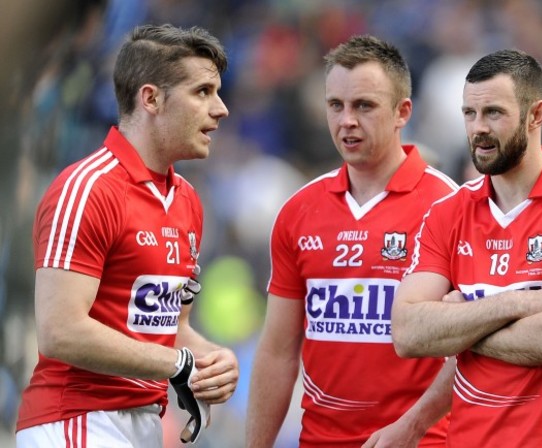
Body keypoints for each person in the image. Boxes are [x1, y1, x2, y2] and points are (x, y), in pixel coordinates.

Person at [392, 48, 542, 447]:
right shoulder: (447, 213)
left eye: (494, 114)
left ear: (536, 114)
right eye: (469, 114)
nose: (477, 128)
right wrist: (517, 303)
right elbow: (407, 334)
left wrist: (458, 328)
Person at [15, 24, 239, 447]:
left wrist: (210, 360)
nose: (221, 108)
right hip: (77, 420)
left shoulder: (187, 200)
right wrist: (179, 363)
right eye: (203, 92)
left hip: (145, 422)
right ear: (151, 98)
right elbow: (60, 330)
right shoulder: (87, 188)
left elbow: (172, 329)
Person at [245, 35, 459, 447]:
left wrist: (413, 426)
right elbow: (277, 352)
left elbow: (471, 352)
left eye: (364, 106)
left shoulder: (449, 206)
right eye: (335, 106)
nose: (347, 121)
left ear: (402, 112)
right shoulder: (298, 212)